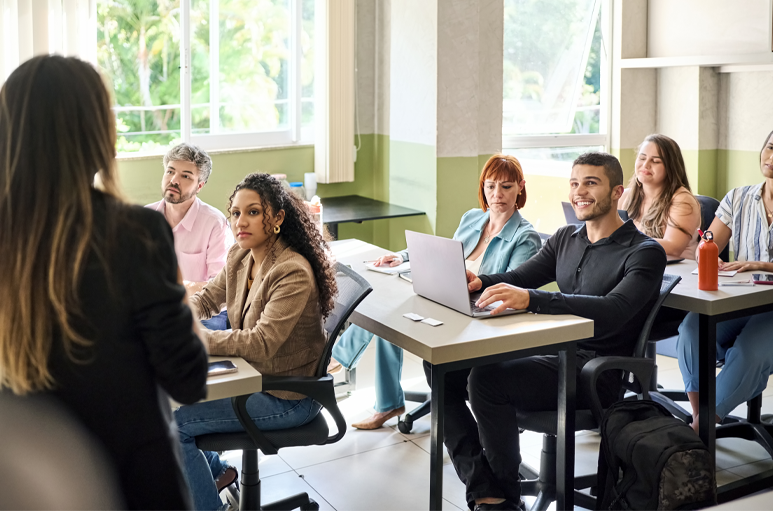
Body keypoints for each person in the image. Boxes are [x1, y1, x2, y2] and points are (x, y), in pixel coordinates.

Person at [0, 55, 209, 511]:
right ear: (98, 136)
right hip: (130, 485)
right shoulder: (135, 234)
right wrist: (179, 294)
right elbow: (188, 378)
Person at [464, 152, 667, 511]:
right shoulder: (565, 237)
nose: (579, 192)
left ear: (617, 191)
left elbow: (614, 310)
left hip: (594, 372)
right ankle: (485, 484)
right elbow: (521, 278)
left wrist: (534, 300)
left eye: (591, 183)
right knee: (446, 369)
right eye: (574, 183)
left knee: (485, 379)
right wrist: (480, 280)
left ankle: (503, 500)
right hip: (554, 353)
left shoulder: (644, 252)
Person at [332, 154, 542, 430]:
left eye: (506, 186)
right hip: (449, 298)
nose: (497, 194)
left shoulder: (525, 237)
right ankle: (387, 403)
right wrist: (402, 256)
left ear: (520, 187)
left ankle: (335, 358)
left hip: (478, 316)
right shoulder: (472, 218)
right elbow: (443, 252)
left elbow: (512, 287)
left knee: (393, 313)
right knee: (388, 313)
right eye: (490, 186)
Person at [174, 172, 338, 511]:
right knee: (168, 404)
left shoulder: (291, 271)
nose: (240, 222)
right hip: (255, 376)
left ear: (277, 218)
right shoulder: (241, 255)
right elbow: (207, 298)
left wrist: (199, 339)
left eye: (253, 212)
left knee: (175, 425)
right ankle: (218, 473)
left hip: (288, 395)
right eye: (235, 213)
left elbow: (260, 343)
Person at [677, 121, 773, 434]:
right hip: (739, 299)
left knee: (751, 350)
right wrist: (705, 253)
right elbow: (709, 247)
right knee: (692, 328)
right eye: (770, 147)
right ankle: (701, 421)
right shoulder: (739, 198)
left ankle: (699, 431)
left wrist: (769, 266)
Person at [147, 143, 234, 329]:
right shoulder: (144, 218)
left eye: (185, 176)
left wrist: (175, 287)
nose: (174, 180)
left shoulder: (215, 224)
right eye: (170, 172)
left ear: (199, 186)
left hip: (206, 312)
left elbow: (220, 287)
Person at [620, 134, 701, 259]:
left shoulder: (682, 200)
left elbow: (673, 247)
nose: (645, 165)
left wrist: (623, 240)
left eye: (655, 161)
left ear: (671, 167)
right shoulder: (624, 196)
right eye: (642, 158)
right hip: (639, 264)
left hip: (676, 271)